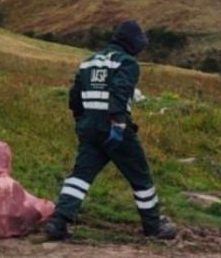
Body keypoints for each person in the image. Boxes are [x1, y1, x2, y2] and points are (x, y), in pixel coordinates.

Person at [45, 20, 177, 241]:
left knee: (80, 176)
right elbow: (119, 92)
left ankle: (58, 222)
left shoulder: (88, 62)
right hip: (116, 130)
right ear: (132, 43)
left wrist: (81, 121)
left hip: (89, 129)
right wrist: (117, 125)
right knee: (141, 177)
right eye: (140, 45)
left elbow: (74, 97)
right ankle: (154, 227)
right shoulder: (127, 63)